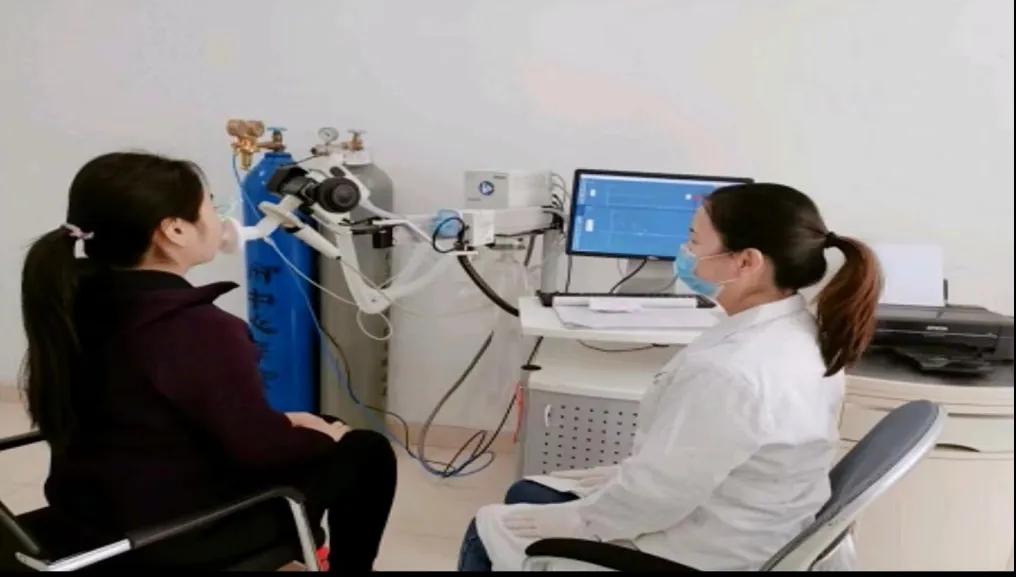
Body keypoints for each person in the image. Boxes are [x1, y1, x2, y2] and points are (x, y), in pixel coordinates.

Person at [459, 183, 881, 571]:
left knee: (489, 527)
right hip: (761, 525)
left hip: (706, 553)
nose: (684, 251)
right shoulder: (801, 331)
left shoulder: (732, 371)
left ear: (746, 262)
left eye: (695, 240)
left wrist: (578, 519)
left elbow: (654, 500)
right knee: (530, 493)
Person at [18, 152, 396, 571]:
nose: (220, 218)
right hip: (167, 538)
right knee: (365, 451)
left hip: (90, 514)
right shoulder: (197, 329)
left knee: (316, 424)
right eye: (211, 206)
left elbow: (150, 412)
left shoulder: (73, 304)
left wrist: (289, 423)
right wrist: (326, 438)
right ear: (175, 230)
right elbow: (261, 450)